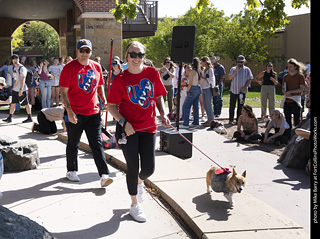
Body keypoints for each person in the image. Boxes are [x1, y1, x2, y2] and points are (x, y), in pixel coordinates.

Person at [107, 41, 170, 222]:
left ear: (144, 57)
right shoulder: (120, 79)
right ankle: (135, 205)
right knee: (132, 167)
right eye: (132, 54)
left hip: (149, 127)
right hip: (128, 129)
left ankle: (140, 182)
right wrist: (124, 122)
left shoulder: (152, 73)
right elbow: (111, 106)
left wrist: (163, 113)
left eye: (140, 54)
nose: (136, 58)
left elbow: (158, 96)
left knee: (148, 169)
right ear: (127, 56)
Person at [59, 39, 113, 187]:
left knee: (96, 143)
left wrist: (105, 101)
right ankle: (71, 170)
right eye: (82, 50)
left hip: (93, 112)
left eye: (87, 51)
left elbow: (100, 86)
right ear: (77, 51)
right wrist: (69, 111)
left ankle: (104, 175)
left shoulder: (96, 67)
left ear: (91, 52)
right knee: (73, 142)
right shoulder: (69, 68)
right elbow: (63, 92)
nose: (85, 54)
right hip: (74, 112)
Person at [2, 54, 33, 123]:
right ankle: (10, 117)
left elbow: (23, 79)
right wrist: (13, 87)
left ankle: (29, 117)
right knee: (13, 103)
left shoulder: (22, 68)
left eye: (16, 59)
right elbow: (15, 78)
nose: (15, 61)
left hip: (22, 89)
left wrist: (21, 89)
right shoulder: (13, 68)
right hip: (15, 89)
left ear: (19, 60)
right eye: (13, 60)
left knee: (26, 103)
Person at [228, 55, 253, 124]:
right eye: (239, 61)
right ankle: (231, 120)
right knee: (232, 106)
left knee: (241, 106)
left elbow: (249, 79)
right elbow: (230, 78)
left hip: (242, 91)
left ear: (244, 62)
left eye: (241, 62)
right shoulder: (233, 69)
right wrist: (236, 71)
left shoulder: (247, 69)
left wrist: (244, 87)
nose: (240, 63)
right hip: (234, 90)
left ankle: (238, 120)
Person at [282, 58, 305, 128]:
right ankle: (288, 135)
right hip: (287, 100)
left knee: (297, 121)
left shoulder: (300, 76)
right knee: (287, 120)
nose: (289, 68)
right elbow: (283, 88)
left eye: (290, 67)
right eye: (288, 66)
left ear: (295, 67)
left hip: (296, 100)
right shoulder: (285, 77)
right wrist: (285, 92)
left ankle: (296, 136)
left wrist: (290, 92)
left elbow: (301, 89)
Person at [181, 58, 201, 128]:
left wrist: (188, 91)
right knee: (195, 106)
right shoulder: (198, 71)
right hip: (198, 88)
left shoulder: (192, 71)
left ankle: (186, 123)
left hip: (193, 88)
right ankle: (196, 122)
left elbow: (190, 83)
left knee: (186, 106)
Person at [200, 56, 215, 127]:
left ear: (205, 62)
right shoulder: (204, 69)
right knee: (205, 105)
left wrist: (203, 78)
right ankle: (209, 119)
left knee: (208, 104)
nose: (201, 63)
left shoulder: (210, 70)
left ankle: (212, 120)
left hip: (208, 88)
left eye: (202, 62)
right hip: (203, 88)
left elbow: (211, 79)